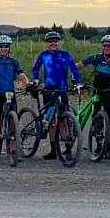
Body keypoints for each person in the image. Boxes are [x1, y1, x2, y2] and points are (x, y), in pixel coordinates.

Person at [31, 31, 83, 160]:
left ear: (59, 42)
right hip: (48, 90)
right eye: (51, 41)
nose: (53, 43)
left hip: (62, 90)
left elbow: (74, 69)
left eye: (55, 41)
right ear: (47, 43)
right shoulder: (44, 55)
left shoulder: (65, 55)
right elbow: (35, 68)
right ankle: (53, 149)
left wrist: (78, 82)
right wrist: (36, 79)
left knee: (64, 119)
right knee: (51, 121)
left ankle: (68, 148)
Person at [0, 34, 29, 161]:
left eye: (6, 46)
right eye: (1, 47)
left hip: (10, 94)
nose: (4, 49)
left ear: (9, 48)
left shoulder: (14, 61)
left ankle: (13, 150)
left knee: (13, 123)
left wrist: (28, 84)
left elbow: (21, 75)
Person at [80, 34, 110, 144]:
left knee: (109, 118)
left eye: (109, 46)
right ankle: (99, 142)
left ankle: (108, 145)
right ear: (102, 46)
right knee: (97, 117)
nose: (107, 48)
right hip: (97, 90)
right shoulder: (96, 58)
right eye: (104, 45)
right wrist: (75, 76)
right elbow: (79, 65)